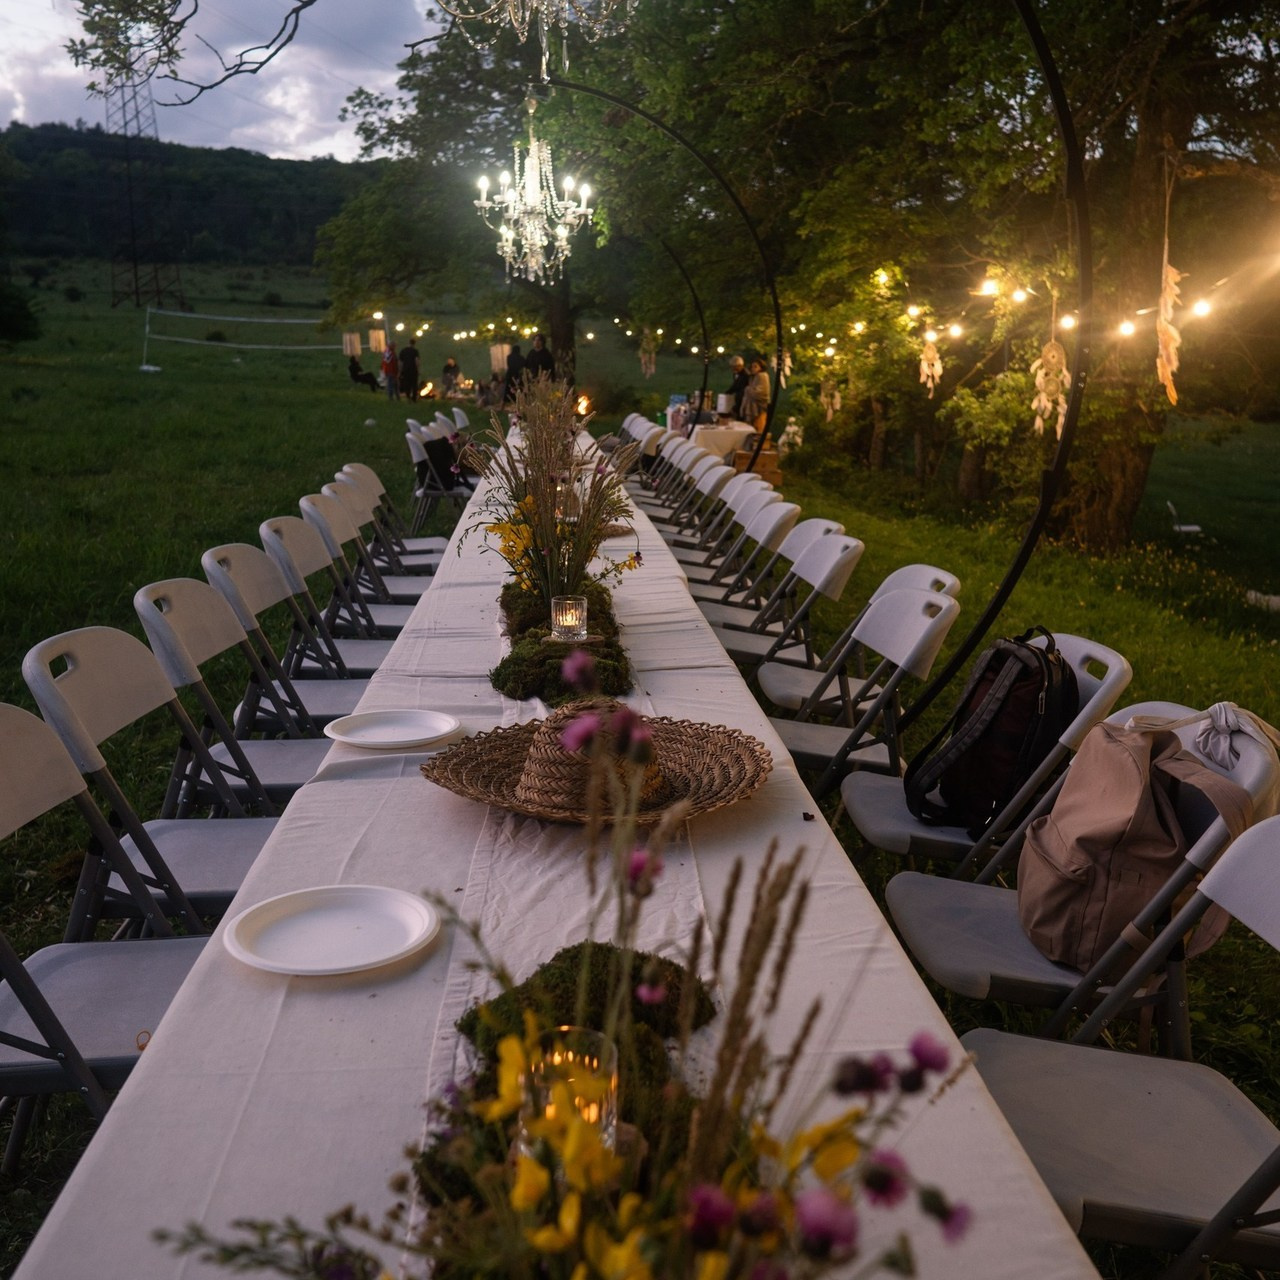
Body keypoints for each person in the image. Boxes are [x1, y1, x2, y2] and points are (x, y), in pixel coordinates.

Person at [739, 356, 770, 432]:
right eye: (752, 367)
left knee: (758, 429)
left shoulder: (762, 376)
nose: (753, 368)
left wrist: (748, 389)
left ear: (761, 367)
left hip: (759, 409)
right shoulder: (753, 377)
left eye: (755, 366)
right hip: (752, 407)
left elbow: (761, 392)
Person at [726, 354, 749, 418]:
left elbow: (742, 390)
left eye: (735, 367)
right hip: (738, 398)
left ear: (741, 366)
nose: (733, 369)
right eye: (732, 367)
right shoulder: (735, 374)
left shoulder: (746, 375)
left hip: (743, 400)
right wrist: (725, 394)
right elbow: (734, 387)